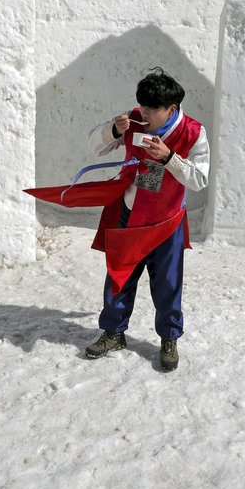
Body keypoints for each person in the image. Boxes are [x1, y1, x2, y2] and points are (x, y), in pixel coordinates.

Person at [84, 67, 209, 371]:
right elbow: (94, 146)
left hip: (167, 221)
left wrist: (169, 157)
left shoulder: (193, 132)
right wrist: (114, 130)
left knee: (167, 283)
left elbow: (199, 179)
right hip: (129, 215)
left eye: (154, 109)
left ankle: (169, 338)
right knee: (119, 276)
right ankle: (113, 332)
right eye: (143, 106)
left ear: (172, 109)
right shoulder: (132, 119)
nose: (146, 113)